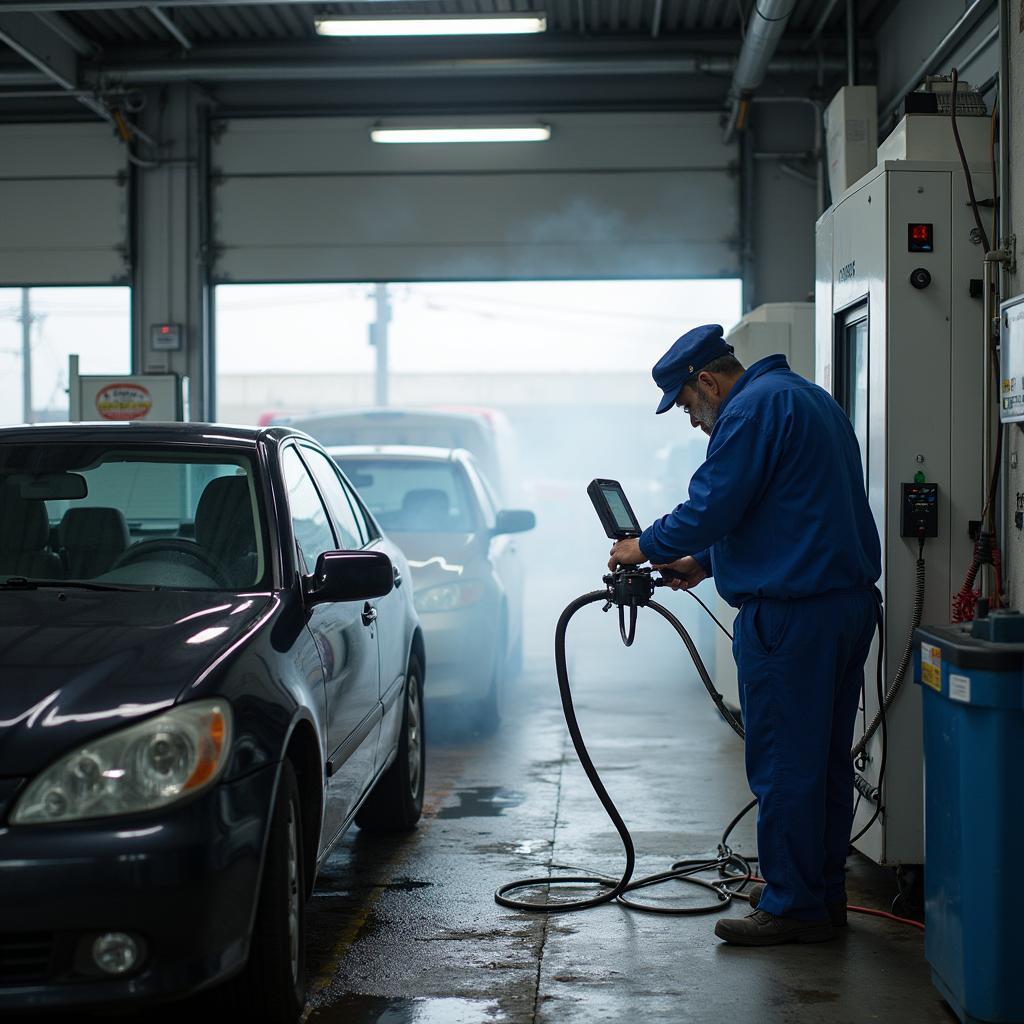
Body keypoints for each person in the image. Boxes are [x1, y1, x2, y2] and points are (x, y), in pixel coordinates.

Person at [608, 323, 881, 947]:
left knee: (785, 763)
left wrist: (640, 547)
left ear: (706, 380)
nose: (690, 418)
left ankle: (791, 907)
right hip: (844, 606)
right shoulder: (809, 398)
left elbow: (713, 503)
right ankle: (819, 890)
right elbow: (782, 505)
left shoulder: (750, 410)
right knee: (824, 761)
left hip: (790, 616)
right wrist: (703, 561)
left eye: (684, 403)